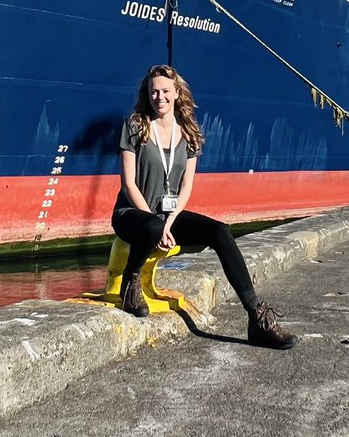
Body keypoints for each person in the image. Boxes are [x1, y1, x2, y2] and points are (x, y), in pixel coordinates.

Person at [111, 64, 296, 350]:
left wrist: (169, 224)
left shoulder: (188, 133)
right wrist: (158, 224)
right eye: (153, 92)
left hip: (167, 217)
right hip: (133, 215)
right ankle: (130, 283)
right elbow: (129, 185)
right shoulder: (136, 126)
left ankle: (256, 316)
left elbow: (186, 187)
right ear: (147, 95)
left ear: (176, 94)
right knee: (151, 226)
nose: (159, 97)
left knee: (220, 231)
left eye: (164, 92)